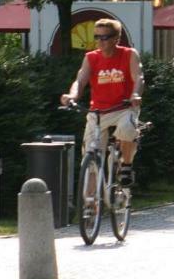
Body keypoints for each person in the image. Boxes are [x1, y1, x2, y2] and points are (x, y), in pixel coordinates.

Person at [61, 19, 144, 187]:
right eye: (96, 37)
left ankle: (126, 165)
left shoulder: (129, 54)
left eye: (104, 37)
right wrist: (72, 95)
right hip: (98, 112)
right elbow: (80, 80)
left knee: (128, 128)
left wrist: (135, 94)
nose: (99, 41)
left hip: (124, 107)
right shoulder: (91, 58)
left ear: (116, 38)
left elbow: (139, 77)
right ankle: (90, 206)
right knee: (90, 156)